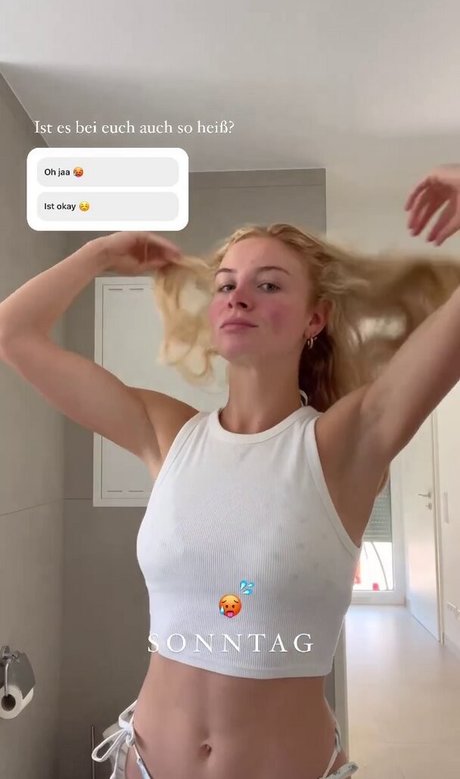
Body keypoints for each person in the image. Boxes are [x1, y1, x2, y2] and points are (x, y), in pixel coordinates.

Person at [1, 165, 460, 779]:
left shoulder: (343, 442)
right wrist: (100, 251)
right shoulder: (168, 433)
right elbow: (14, 334)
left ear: (315, 319)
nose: (239, 297)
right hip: (143, 765)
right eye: (225, 285)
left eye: (268, 285)